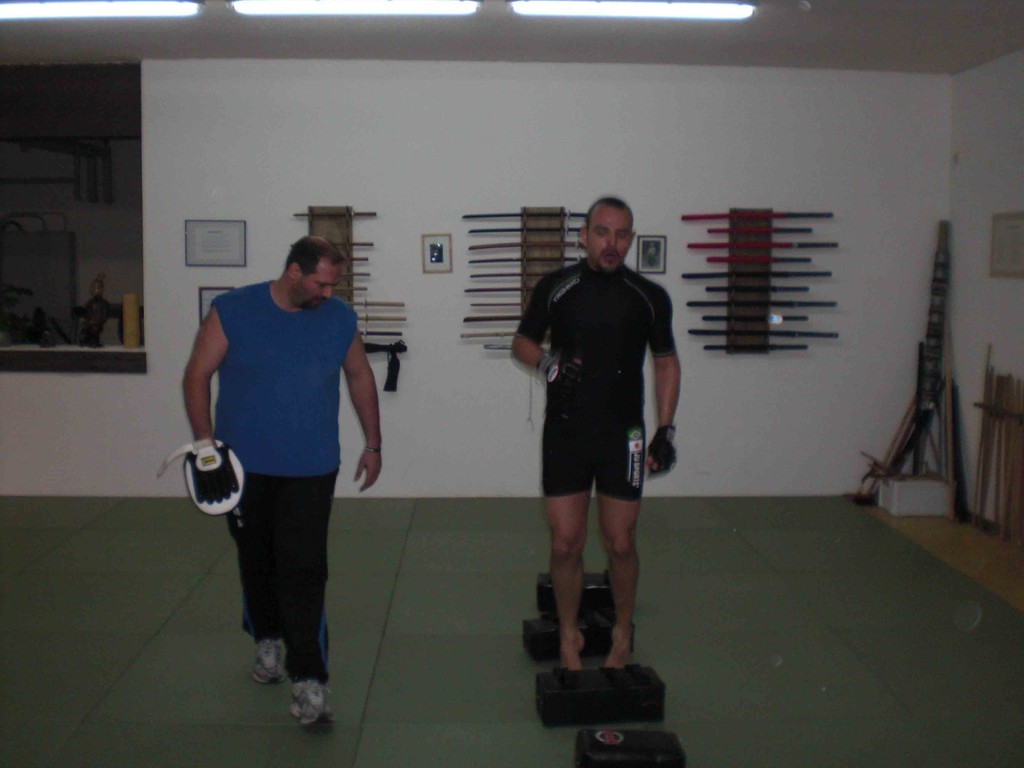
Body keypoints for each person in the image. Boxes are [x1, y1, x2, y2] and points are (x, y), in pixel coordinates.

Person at [182, 235, 382, 726]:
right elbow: (196, 375)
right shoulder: (232, 310)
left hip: (312, 467)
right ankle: (267, 639)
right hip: (241, 468)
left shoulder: (339, 319)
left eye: (333, 285)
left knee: (305, 568)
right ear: (294, 272)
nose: (328, 294)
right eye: (321, 283)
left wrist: (373, 444)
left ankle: (309, 679)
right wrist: (205, 446)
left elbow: (359, 375)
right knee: (257, 561)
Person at [512, 196, 680, 671]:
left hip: (624, 437)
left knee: (620, 543)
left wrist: (665, 430)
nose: (612, 243)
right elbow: (522, 343)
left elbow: (666, 362)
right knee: (565, 543)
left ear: (631, 239)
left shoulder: (649, 297)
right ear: (584, 236)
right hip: (566, 432)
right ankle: (570, 634)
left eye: (622, 234)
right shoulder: (557, 287)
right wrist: (548, 363)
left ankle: (622, 630)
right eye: (602, 232)